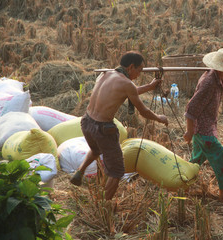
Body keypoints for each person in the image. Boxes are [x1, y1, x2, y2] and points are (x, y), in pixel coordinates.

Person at [70, 51, 168, 200]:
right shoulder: (126, 83)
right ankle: (103, 206)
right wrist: (160, 118)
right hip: (103, 129)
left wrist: (149, 86)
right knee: (117, 172)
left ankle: (79, 172)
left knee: (95, 150)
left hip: (86, 122)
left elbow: (127, 92)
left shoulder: (105, 74)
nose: (139, 74)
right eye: (139, 70)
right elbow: (144, 111)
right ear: (130, 67)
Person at [183, 48, 223, 205]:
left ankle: (182, 186)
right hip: (203, 130)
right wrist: (189, 131)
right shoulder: (209, 82)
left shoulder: (216, 77)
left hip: (205, 126)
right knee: (221, 159)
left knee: (196, 161)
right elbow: (191, 108)